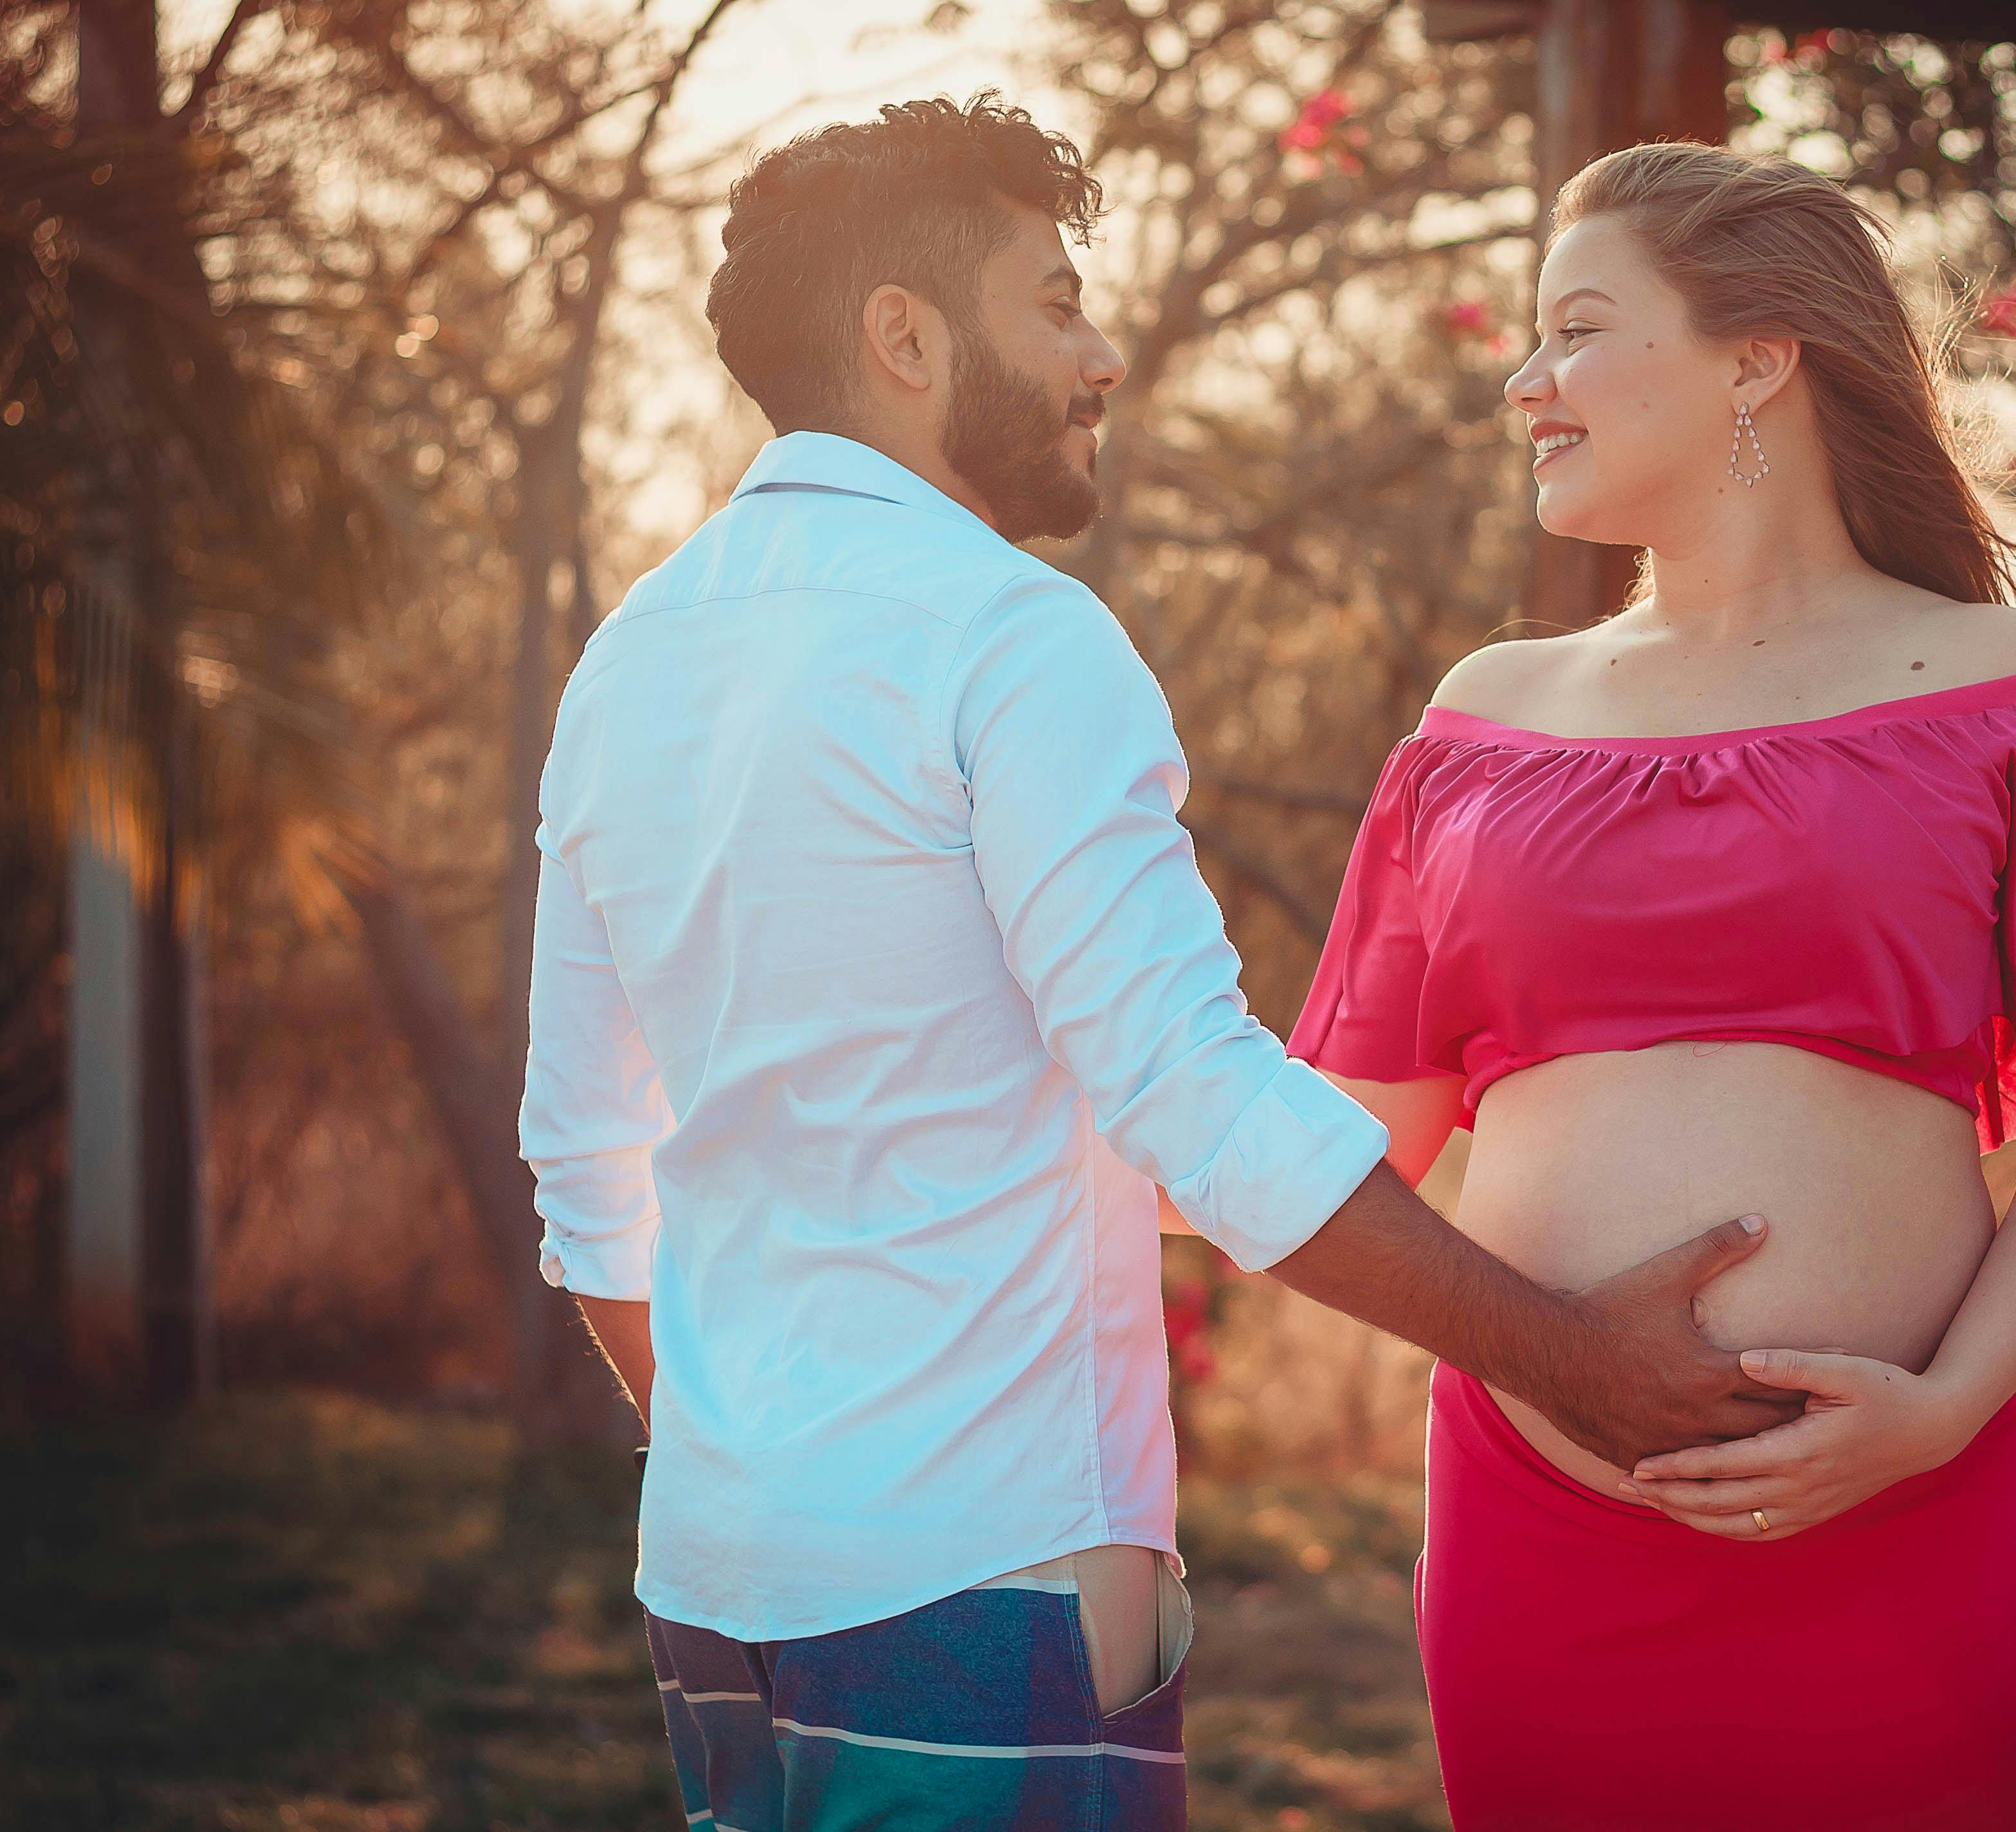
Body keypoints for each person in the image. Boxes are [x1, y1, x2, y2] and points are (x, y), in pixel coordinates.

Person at [516, 99, 1802, 1832]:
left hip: (718, 1592)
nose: (1100, 352)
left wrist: (763, 1471)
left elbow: (589, 1171)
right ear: (905, 335)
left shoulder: (627, 664)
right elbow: (1190, 1095)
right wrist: (1575, 1356)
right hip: (989, 1570)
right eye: (1054, 302)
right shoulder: (1013, 639)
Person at [1287, 141, 2016, 1831]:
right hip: (1534, 1536)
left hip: (1903, 1526)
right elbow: (1333, 1146)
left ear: (1758, 357)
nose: (1524, 382)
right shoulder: (1482, 722)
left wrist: (1936, 1419)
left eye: (1576, 329)